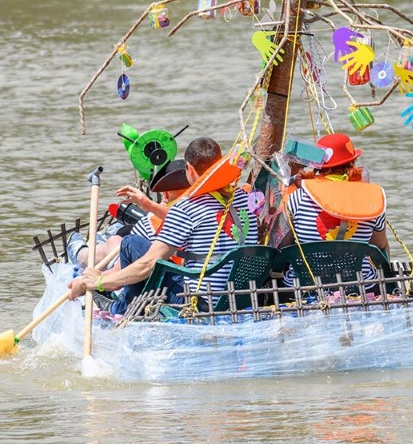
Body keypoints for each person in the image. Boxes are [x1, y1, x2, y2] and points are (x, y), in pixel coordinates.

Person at [67, 137, 257, 312]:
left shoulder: (186, 208)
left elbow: (147, 265)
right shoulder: (243, 198)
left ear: (189, 169)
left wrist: (97, 282)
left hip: (199, 303)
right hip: (238, 298)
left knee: (130, 243)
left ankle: (122, 308)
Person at [277, 132, 389, 284]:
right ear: (352, 163)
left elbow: (283, 245)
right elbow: (379, 245)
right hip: (362, 285)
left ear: (319, 167)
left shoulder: (298, 197)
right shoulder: (372, 197)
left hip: (304, 286)